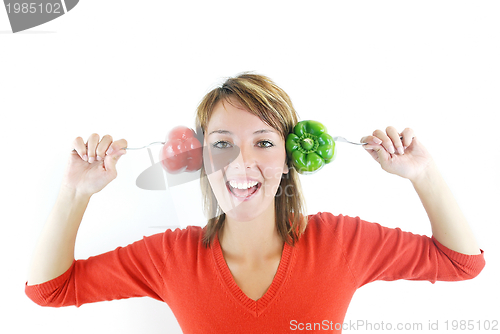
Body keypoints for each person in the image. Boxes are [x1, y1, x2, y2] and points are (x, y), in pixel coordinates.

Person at [26, 73, 485, 333]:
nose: (241, 163)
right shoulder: (171, 257)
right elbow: (50, 291)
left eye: (263, 143)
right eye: (222, 144)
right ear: (202, 158)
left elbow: (462, 263)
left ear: (290, 158)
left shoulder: (341, 242)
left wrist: (424, 174)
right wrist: (74, 192)